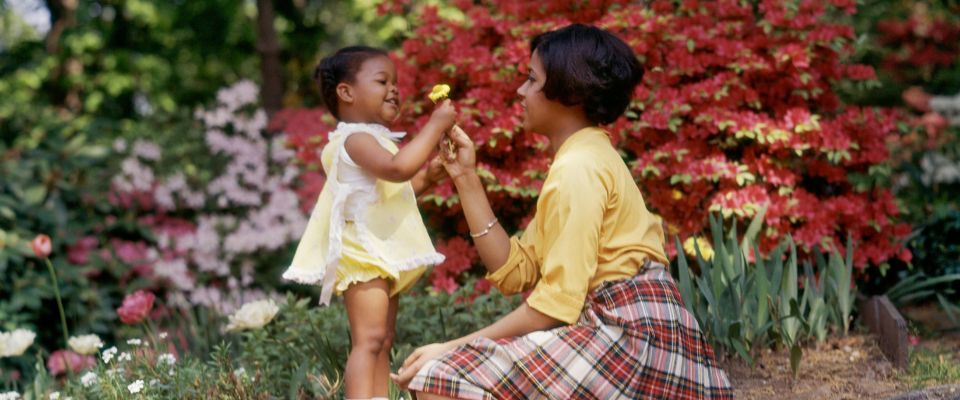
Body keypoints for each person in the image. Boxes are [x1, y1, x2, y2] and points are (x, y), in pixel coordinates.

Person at [392, 25, 734, 399]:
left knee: (439, 379)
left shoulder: (578, 168)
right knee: (444, 375)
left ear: (568, 92)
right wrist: (465, 177)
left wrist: (452, 346)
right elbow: (516, 271)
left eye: (531, 80)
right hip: (631, 331)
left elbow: (555, 305)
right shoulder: (582, 157)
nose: (521, 92)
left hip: (631, 338)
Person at [282, 46, 457, 400]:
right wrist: (435, 125)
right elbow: (397, 170)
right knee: (368, 339)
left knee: (383, 338)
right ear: (346, 92)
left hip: (378, 251)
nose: (394, 88)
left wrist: (431, 175)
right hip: (362, 253)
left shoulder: (373, 139)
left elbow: (397, 192)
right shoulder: (354, 139)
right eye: (382, 81)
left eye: (395, 82)